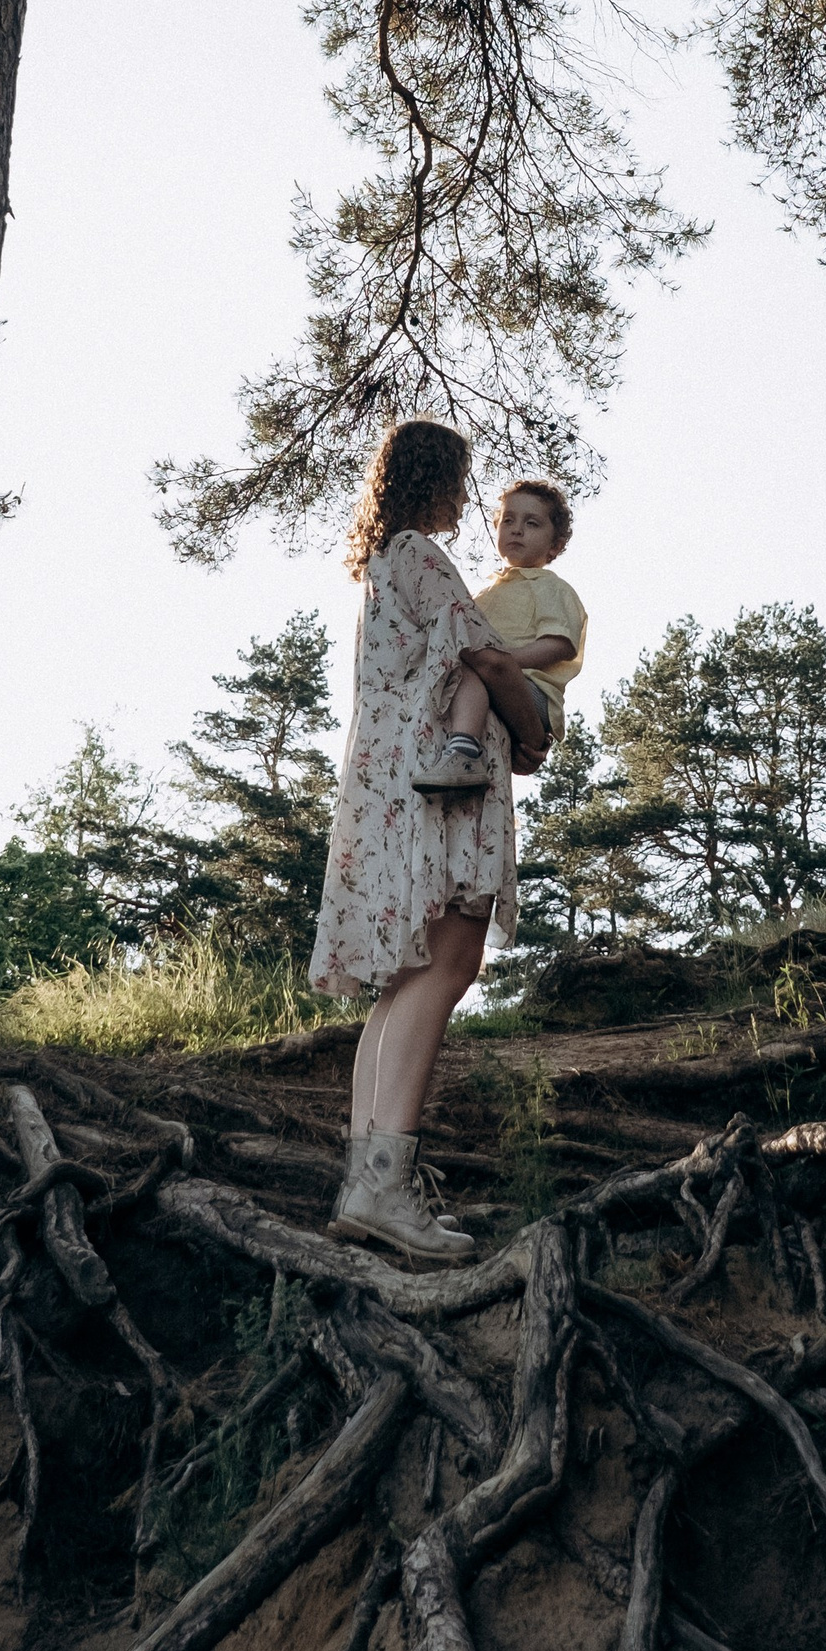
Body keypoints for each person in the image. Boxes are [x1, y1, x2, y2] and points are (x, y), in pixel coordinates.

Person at [310, 419, 535, 1264]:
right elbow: (492, 661)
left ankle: (366, 1183)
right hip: (440, 795)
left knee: (405, 981)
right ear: (436, 478)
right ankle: (385, 1187)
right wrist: (534, 730)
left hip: (390, 793)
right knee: (448, 962)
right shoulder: (420, 556)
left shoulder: (380, 568)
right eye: (459, 478)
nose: (466, 497)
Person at [451, 478, 587, 774]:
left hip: (531, 689)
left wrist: (503, 661)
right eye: (508, 520)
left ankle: (462, 749)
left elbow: (560, 644)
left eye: (532, 523)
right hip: (486, 682)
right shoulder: (482, 595)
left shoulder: (550, 587)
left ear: (555, 546)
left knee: (474, 670)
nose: (516, 529)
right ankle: (465, 746)